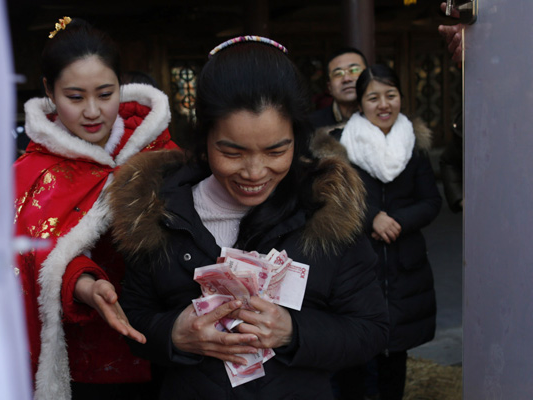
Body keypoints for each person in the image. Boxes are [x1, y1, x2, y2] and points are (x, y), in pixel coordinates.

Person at [108, 36, 389, 399]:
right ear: (205, 135)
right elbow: (134, 316)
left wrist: (293, 331)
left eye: (276, 150)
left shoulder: (325, 213)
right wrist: (173, 333)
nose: (255, 172)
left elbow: (371, 329)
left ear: (297, 138)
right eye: (232, 151)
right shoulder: (158, 214)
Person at [13, 17, 178, 400]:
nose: (92, 111)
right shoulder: (31, 174)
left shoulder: (161, 153)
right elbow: (28, 255)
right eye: (75, 97)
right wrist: (83, 284)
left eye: (105, 94)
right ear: (49, 93)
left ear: (122, 86)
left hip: (167, 345)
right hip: (84, 363)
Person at [318, 64, 441, 400]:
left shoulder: (413, 143)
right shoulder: (340, 145)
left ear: (401, 97)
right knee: (357, 357)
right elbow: (330, 201)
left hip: (404, 268)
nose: (384, 104)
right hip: (358, 266)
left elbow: (431, 201)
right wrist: (372, 218)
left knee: (395, 356)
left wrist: (396, 220)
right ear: (360, 104)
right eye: (374, 97)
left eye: (391, 95)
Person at [309, 47, 368, 130]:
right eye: (338, 74)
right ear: (329, 87)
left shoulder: (383, 116)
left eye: (354, 70)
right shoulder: (312, 125)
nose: (347, 79)